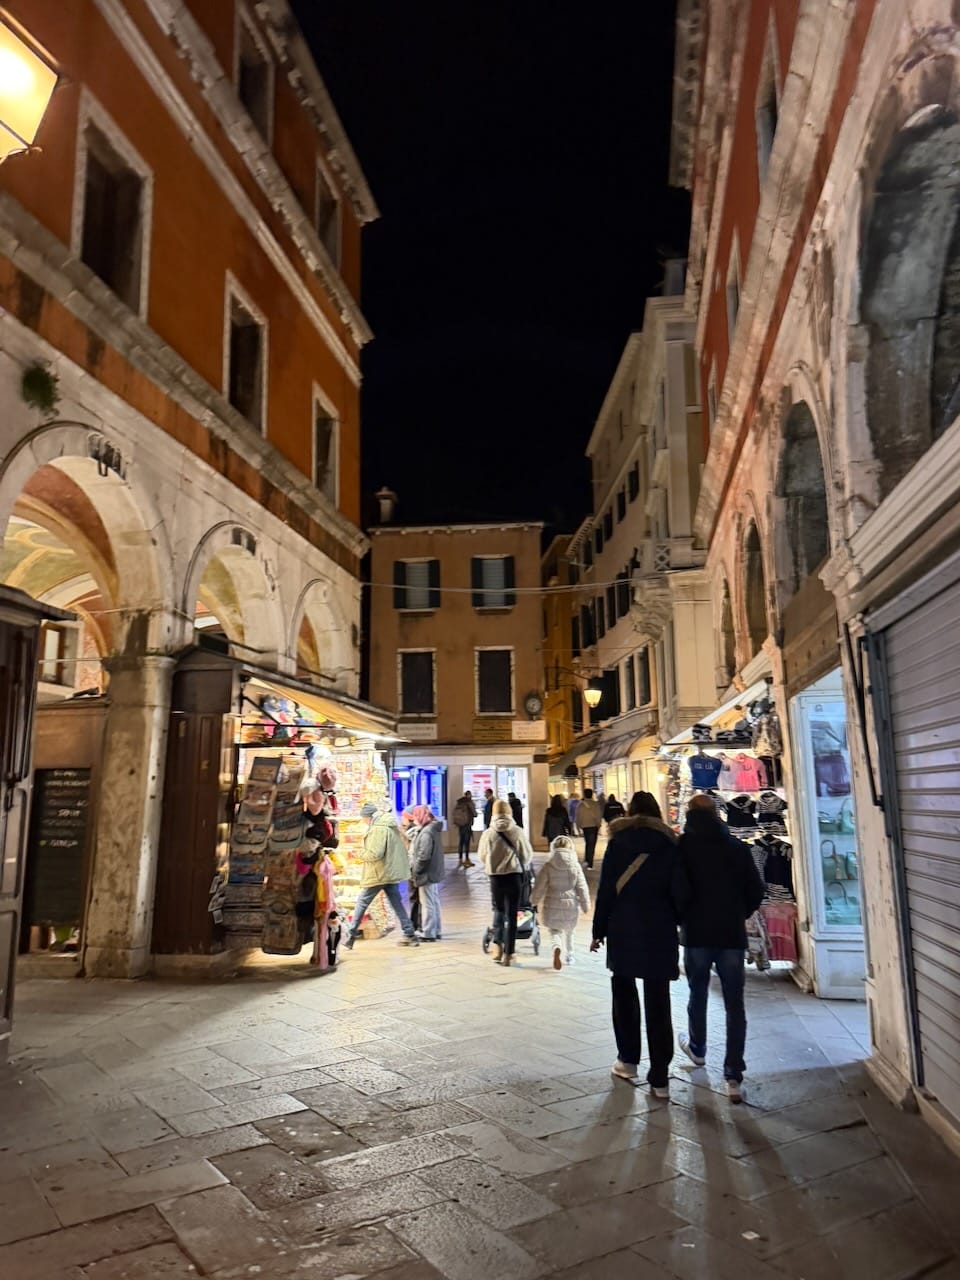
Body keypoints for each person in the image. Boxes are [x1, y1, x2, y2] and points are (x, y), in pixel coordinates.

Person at [591, 791, 689, 1098]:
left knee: (623, 994)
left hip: (624, 926)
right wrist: (678, 921)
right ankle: (659, 1077)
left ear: (630, 812)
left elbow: (607, 889)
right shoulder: (670, 843)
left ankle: (628, 1060)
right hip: (659, 928)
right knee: (658, 999)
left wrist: (598, 930)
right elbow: (680, 890)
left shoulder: (618, 841)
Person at [678, 794, 765, 1103]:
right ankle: (733, 1075)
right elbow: (756, 890)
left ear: (689, 814)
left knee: (697, 992)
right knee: (734, 1004)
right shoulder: (736, 847)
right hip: (730, 934)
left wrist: (683, 917)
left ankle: (698, 1049)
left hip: (697, 933)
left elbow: (676, 890)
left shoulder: (682, 848)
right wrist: (737, 914)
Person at [343, 803, 420, 949]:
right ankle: (410, 934)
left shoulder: (378, 829)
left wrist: (359, 854)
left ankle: (350, 935)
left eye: (363, 818)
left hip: (379, 873)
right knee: (397, 903)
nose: (363, 821)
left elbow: (375, 853)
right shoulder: (388, 825)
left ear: (368, 817)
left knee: (362, 902)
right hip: (389, 872)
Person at [478, 798, 533, 967]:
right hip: (514, 876)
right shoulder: (517, 831)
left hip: (496, 877)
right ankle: (509, 953)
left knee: (498, 910)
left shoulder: (488, 833)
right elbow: (526, 855)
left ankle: (497, 947)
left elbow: (482, 856)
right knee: (512, 914)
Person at [531, 834, 591, 969]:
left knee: (554, 930)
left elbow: (539, 886)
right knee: (570, 931)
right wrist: (585, 905)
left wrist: (534, 900)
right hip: (571, 903)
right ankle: (570, 955)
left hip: (552, 902)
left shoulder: (548, 865)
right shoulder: (575, 866)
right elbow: (582, 887)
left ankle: (556, 947)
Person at [408, 804, 445, 941]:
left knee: (427, 902)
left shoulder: (426, 832)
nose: (414, 819)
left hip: (426, 873)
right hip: (432, 871)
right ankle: (436, 929)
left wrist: (416, 870)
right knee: (433, 901)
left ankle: (428, 932)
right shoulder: (431, 829)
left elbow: (423, 856)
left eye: (415, 816)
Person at [577, 788, 602, 869]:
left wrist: (579, 826)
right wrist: (599, 824)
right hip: (593, 826)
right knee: (592, 844)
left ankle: (587, 860)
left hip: (585, 826)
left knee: (588, 843)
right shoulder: (595, 804)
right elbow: (598, 815)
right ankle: (589, 862)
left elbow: (578, 816)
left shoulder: (581, 805)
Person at [451, 791, 477, 868]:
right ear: (469, 795)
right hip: (467, 825)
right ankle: (467, 859)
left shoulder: (459, 802)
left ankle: (460, 859)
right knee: (467, 843)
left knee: (461, 842)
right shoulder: (469, 802)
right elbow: (475, 814)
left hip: (460, 825)